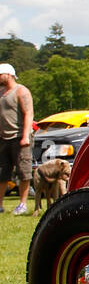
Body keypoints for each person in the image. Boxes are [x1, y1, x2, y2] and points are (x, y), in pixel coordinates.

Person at [0, 63, 34, 215]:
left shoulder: (21, 91)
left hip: (20, 137)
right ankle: (0, 205)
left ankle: (22, 204)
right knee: (2, 173)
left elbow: (28, 113)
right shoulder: (1, 93)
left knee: (23, 171)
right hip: (3, 138)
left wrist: (26, 135)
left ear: (8, 74)